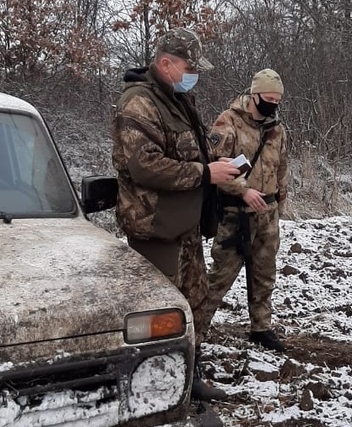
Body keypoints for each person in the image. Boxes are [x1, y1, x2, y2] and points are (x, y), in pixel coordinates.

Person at [111, 28, 241, 401]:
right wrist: (206, 173)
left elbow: (185, 153)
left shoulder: (178, 100)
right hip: (156, 227)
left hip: (184, 223)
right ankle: (156, 388)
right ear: (165, 63)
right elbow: (145, 167)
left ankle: (188, 371)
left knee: (194, 301)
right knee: (159, 315)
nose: (194, 73)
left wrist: (215, 163)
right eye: (189, 66)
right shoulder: (140, 102)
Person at [201, 69, 289, 352]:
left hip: (268, 213)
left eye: (278, 100)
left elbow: (282, 168)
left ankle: (261, 327)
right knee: (220, 277)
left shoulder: (277, 129)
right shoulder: (228, 123)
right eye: (269, 98)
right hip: (235, 215)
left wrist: (278, 203)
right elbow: (213, 167)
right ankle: (196, 330)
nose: (273, 104)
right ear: (254, 95)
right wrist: (242, 191)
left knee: (264, 274)